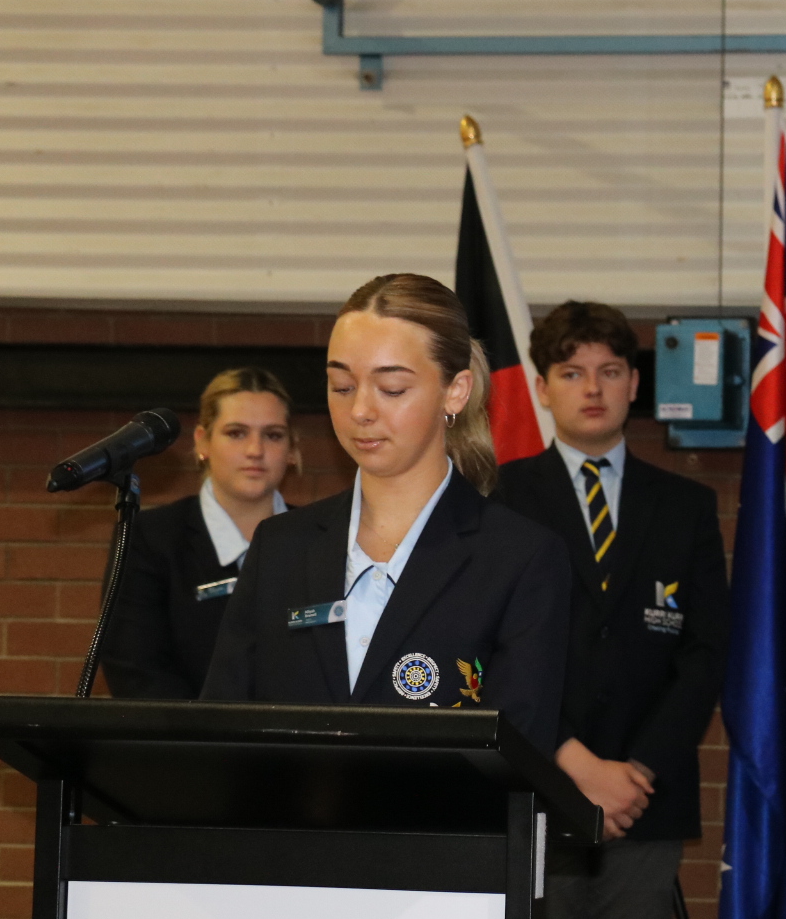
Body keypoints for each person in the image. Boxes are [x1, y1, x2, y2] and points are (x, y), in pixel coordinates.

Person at [495, 301, 729, 919]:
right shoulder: (502, 500)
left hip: (645, 798)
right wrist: (573, 767)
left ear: (635, 384)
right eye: (572, 373)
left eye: (609, 371)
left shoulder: (686, 506)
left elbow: (705, 652)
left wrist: (633, 776)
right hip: (540, 790)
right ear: (545, 388)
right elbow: (497, 654)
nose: (592, 389)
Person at [202, 273, 569, 762]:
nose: (360, 411)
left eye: (392, 388)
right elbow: (220, 728)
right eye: (342, 385)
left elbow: (518, 756)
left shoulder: (520, 558)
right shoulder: (280, 546)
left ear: (455, 392)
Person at [99, 366, 296, 698]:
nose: (255, 450)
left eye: (273, 435)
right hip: (186, 746)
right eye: (236, 433)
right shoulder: (149, 539)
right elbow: (135, 673)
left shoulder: (326, 538)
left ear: (292, 448)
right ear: (202, 441)